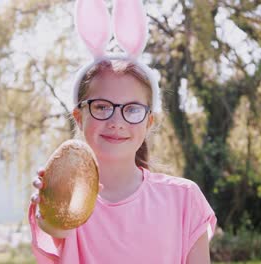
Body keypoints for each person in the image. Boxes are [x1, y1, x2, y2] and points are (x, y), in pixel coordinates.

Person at [28, 0, 216, 263]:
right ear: (79, 117)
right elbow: (56, 226)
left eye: (132, 109)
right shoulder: (66, 199)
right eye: (102, 107)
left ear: (149, 122)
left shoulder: (184, 198)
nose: (117, 120)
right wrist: (51, 204)